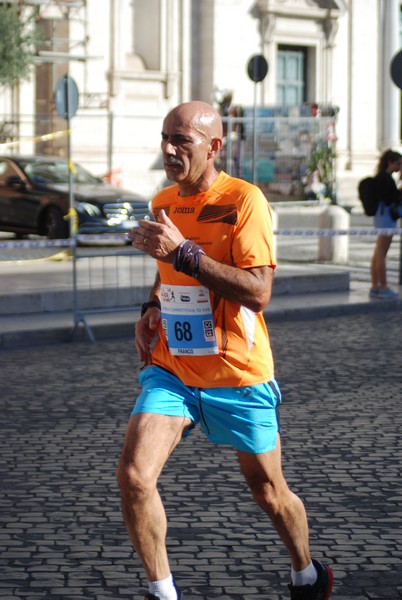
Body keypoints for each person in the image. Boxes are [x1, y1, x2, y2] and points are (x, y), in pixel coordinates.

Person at [117, 101, 333, 600]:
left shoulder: (246, 201)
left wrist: (185, 254)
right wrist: (151, 306)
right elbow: (166, 272)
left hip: (237, 372)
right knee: (133, 475)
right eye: (165, 137)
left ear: (214, 147)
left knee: (269, 493)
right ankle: (163, 592)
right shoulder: (163, 202)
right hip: (173, 368)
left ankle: (306, 572)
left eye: (182, 141)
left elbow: (258, 291)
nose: (169, 149)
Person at [370, 149, 402, 299]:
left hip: (381, 216)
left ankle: (375, 285)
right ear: (390, 163)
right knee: (382, 252)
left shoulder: (381, 177)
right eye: (398, 163)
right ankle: (383, 286)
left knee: (378, 251)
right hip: (386, 218)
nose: (399, 167)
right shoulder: (387, 179)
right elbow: (393, 199)